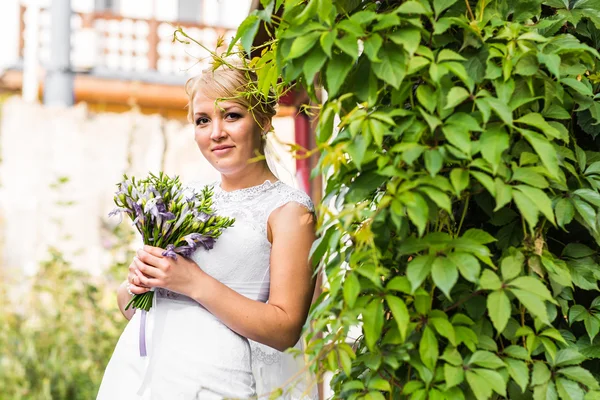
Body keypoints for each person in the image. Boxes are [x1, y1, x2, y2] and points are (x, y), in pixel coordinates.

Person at [97, 58, 319, 399]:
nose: (216, 132)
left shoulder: (289, 212)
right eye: (203, 120)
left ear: (262, 119)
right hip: (141, 374)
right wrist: (138, 282)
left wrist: (194, 282)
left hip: (216, 382)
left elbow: (285, 328)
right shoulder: (184, 199)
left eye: (231, 115)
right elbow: (131, 308)